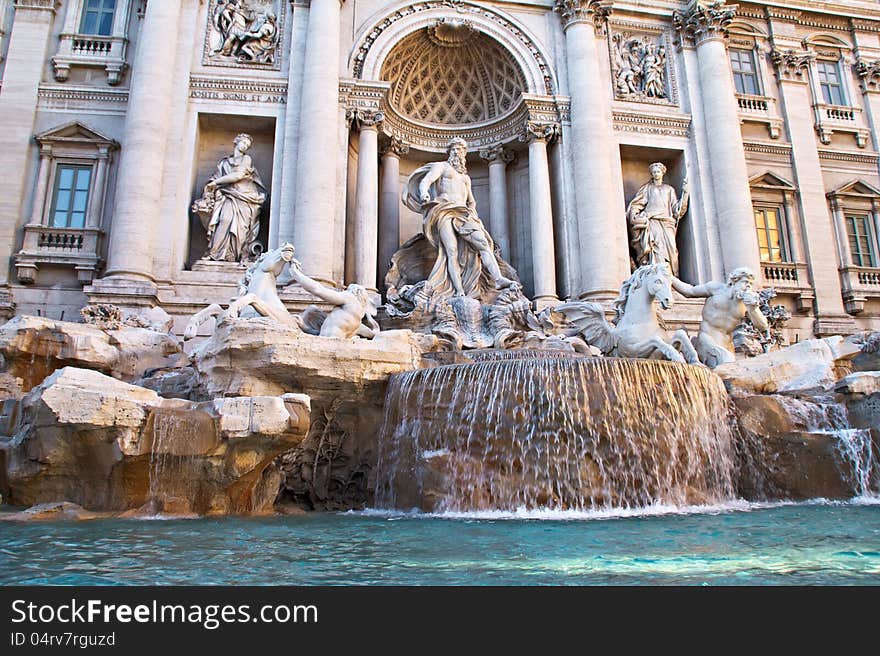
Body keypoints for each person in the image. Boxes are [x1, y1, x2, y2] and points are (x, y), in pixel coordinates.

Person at [402, 138, 515, 299]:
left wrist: (474, 216)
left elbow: (471, 201)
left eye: (461, 150)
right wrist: (424, 192)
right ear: (449, 152)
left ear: (464, 154)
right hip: (444, 211)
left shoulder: (465, 178)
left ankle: (498, 279)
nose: (457, 152)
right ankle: (458, 290)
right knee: (451, 251)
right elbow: (426, 181)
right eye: (454, 149)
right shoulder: (442, 167)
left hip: (464, 214)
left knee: (483, 243)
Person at [671, 268, 770, 368]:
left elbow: (763, 326)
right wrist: (669, 277)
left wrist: (754, 309)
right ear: (734, 281)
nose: (748, 286)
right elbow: (689, 291)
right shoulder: (716, 289)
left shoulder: (746, 303)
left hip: (727, 345)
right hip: (707, 338)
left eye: (751, 284)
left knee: (730, 371)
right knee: (725, 363)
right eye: (745, 282)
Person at [193, 133, 267, 262]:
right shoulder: (224, 163)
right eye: (243, 143)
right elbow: (215, 178)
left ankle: (232, 255)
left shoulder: (246, 159)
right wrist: (212, 185)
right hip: (227, 195)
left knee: (240, 229)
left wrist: (216, 183)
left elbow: (238, 176)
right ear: (236, 142)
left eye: (247, 145)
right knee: (224, 220)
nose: (244, 146)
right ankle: (215, 253)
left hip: (245, 198)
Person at [626, 162, 689, 275]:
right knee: (657, 248)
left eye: (658, 172)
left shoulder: (669, 189)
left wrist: (685, 194)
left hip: (667, 223)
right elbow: (637, 204)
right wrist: (634, 216)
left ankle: (672, 277)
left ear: (662, 173)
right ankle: (658, 276)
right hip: (652, 221)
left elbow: (676, 210)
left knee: (671, 251)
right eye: (654, 172)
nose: (656, 174)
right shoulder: (647, 189)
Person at [288, 262, 380, 339]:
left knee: (312, 309)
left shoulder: (350, 298)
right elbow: (325, 335)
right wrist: (305, 327)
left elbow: (318, 290)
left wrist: (296, 273)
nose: (344, 291)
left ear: (355, 292)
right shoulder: (358, 325)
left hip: (326, 345)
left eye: (347, 289)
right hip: (329, 344)